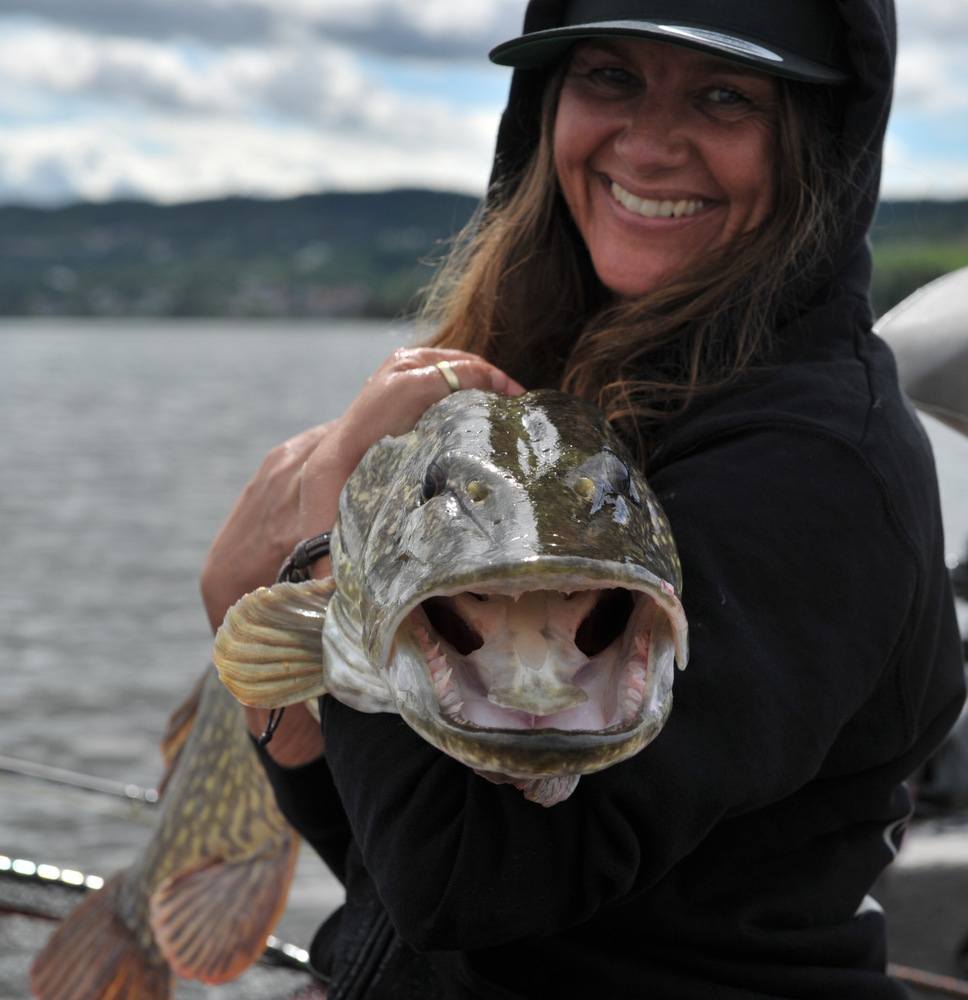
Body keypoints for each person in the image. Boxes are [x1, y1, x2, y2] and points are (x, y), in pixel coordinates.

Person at [201, 1, 966, 997]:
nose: (646, 145)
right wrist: (286, 704)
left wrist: (330, 545)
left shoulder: (811, 469)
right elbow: (401, 878)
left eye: (722, 94)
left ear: (817, 141)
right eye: (606, 76)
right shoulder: (555, 378)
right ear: (542, 104)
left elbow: (469, 886)